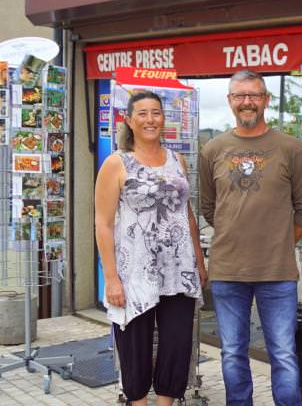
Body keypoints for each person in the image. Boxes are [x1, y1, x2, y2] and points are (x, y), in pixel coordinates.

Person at [199, 70, 302, 406]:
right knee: (233, 353)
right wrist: (237, 235)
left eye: (254, 95)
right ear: (230, 101)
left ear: (266, 100)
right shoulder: (213, 149)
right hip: (227, 271)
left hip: (277, 273)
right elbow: (210, 208)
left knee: (283, 354)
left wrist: (280, 242)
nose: (247, 102)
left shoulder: (290, 148)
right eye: (240, 95)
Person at [94, 90, 205, 406]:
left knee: (176, 342)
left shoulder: (177, 160)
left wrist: (199, 260)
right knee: (134, 343)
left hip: (179, 269)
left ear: (163, 119)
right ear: (128, 120)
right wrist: (111, 277)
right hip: (135, 269)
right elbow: (103, 223)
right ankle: (138, 402)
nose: (150, 119)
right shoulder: (116, 163)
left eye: (156, 112)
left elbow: (186, 213)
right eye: (141, 113)